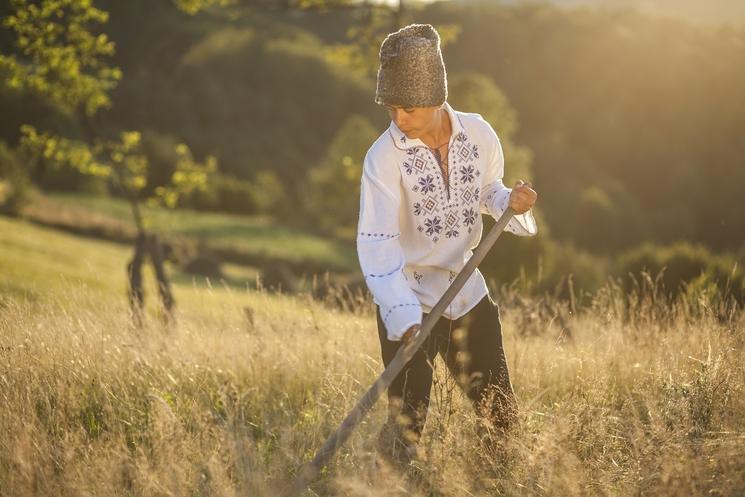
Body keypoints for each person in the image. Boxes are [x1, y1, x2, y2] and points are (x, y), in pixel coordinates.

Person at [356, 23, 539, 469]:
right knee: (407, 422)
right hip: (411, 295)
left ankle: (501, 478)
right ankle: (388, 481)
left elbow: (486, 190)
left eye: (409, 108)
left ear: (436, 97)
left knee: (500, 414)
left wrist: (509, 203)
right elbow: (377, 245)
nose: (399, 119)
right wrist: (403, 318)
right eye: (391, 107)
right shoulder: (383, 159)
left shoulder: (478, 135)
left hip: (466, 292)